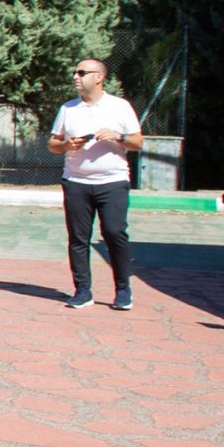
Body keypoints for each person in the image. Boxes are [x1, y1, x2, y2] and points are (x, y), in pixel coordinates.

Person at [49, 57, 143, 311]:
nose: (75, 77)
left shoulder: (120, 107)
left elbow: (137, 142)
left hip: (112, 182)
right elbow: (53, 144)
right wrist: (67, 145)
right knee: (78, 238)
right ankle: (82, 290)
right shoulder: (68, 109)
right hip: (76, 182)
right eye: (75, 72)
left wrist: (118, 136)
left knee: (114, 233)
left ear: (99, 77)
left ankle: (123, 290)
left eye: (82, 72)